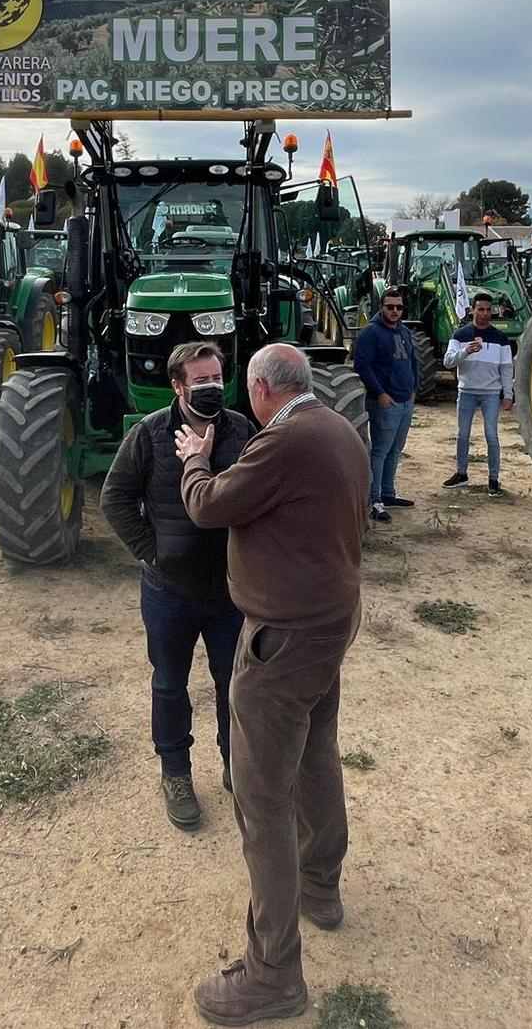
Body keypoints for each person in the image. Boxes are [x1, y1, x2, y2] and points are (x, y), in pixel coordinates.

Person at [174, 344, 368, 1026]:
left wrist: (194, 454)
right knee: (316, 754)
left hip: (283, 640)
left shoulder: (282, 441)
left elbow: (207, 505)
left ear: (260, 389)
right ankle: (320, 886)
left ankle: (272, 974)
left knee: (260, 800)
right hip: (332, 618)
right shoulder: (340, 427)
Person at [100, 341, 255, 831]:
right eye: (200, 381)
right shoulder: (149, 434)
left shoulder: (241, 429)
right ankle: (176, 774)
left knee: (235, 686)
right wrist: (153, 550)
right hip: (170, 593)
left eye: (217, 379)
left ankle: (236, 767)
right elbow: (115, 498)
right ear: (177, 386)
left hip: (231, 593)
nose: (212, 388)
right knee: (169, 685)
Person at [351, 285, 417, 523]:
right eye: (390, 307)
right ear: (381, 307)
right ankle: (375, 500)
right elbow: (362, 366)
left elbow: (412, 362)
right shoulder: (370, 333)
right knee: (380, 451)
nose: (395, 311)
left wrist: (413, 389)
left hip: (405, 400)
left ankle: (389, 494)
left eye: (399, 307)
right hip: (385, 402)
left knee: (395, 450)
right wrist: (379, 392)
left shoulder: (404, 331)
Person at [442, 294, 515, 494]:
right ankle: (461, 473)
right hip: (466, 391)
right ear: (472, 310)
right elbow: (447, 362)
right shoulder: (460, 335)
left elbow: (507, 368)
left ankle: (493, 479)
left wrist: (508, 394)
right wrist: (466, 352)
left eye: (488, 310)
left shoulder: (500, 338)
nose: (485, 313)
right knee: (462, 434)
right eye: (481, 309)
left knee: (491, 435)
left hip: (491, 393)